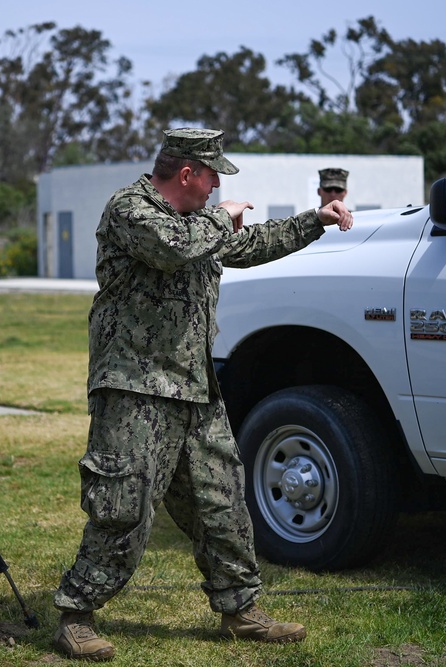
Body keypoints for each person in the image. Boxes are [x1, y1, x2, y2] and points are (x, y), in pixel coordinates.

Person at [52, 128, 353, 661]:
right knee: (125, 504)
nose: (217, 187)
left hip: (195, 388)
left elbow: (249, 244)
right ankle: (76, 612)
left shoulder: (199, 223)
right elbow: (172, 249)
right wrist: (221, 216)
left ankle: (240, 609)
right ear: (188, 173)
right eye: (214, 176)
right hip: (135, 388)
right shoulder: (130, 209)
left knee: (224, 501)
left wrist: (315, 220)